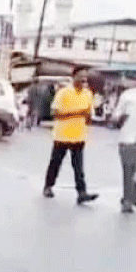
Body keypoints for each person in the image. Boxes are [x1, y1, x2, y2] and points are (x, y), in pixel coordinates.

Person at [43, 68, 99, 204]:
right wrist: (78, 113)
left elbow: (89, 117)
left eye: (85, 77)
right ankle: (48, 186)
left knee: (79, 167)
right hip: (62, 136)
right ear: (74, 77)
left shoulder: (88, 94)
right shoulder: (63, 93)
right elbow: (56, 114)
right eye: (80, 76)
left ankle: (82, 192)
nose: (83, 80)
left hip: (79, 136)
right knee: (55, 163)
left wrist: (87, 117)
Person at [113, 84, 136, 213]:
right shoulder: (128, 95)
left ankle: (133, 191)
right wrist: (119, 119)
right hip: (129, 135)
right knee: (129, 168)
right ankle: (127, 200)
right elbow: (116, 115)